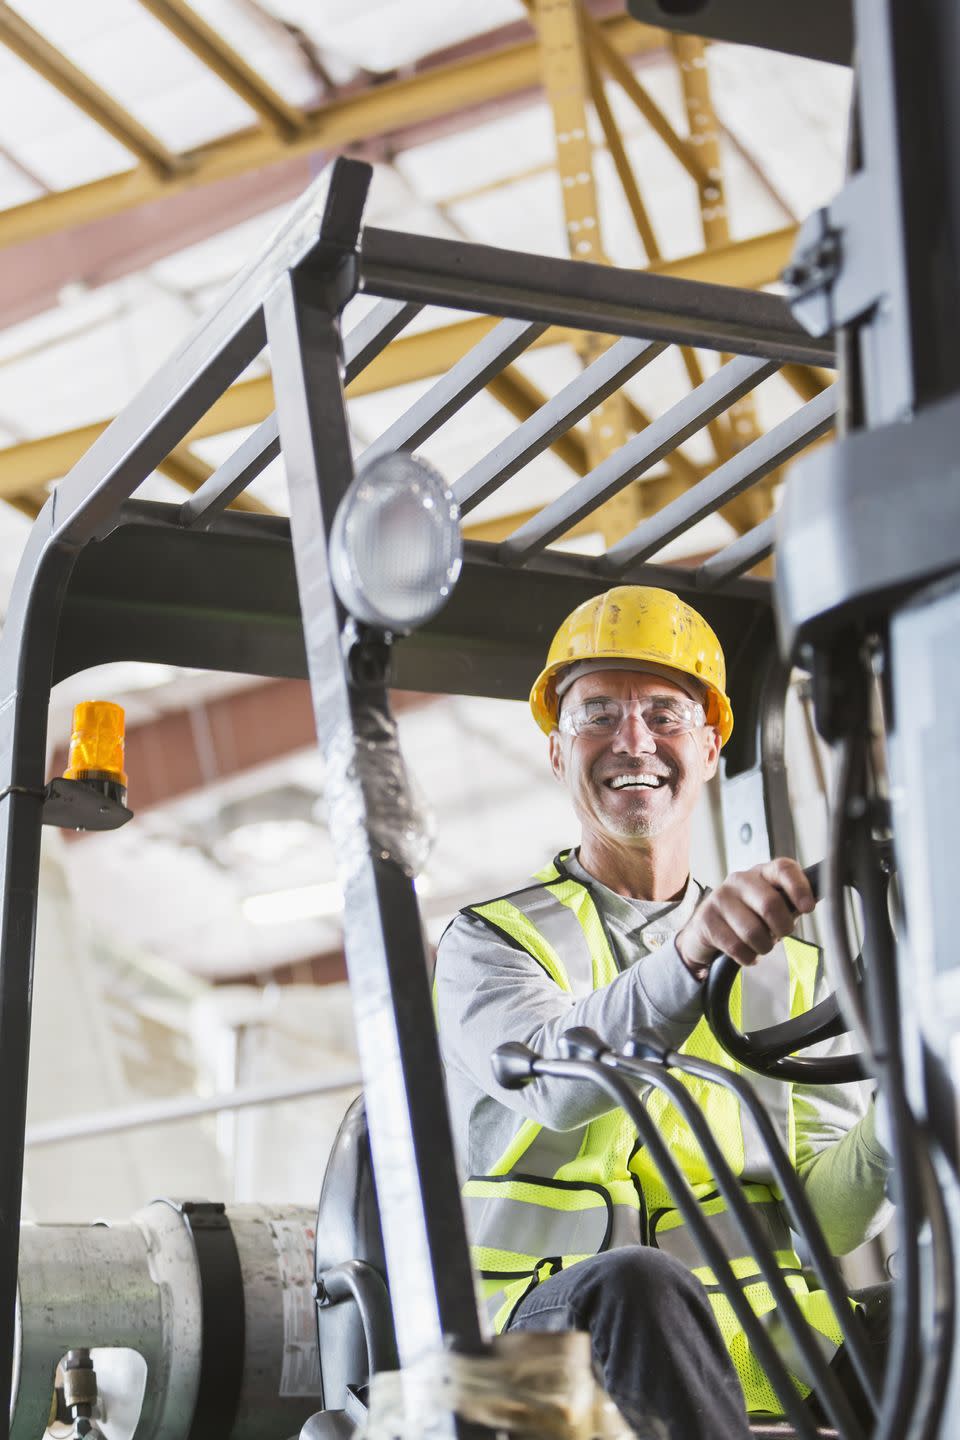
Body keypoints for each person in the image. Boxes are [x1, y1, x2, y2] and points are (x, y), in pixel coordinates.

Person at [434, 585, 892, 1440]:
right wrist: (690, 959)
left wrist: (901, 1119)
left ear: (712, 747)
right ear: (556, 752)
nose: (632, 740)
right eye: (597, 714)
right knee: (632, 1283)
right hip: (514, 1373)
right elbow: (560, 1084)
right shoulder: (486, 945)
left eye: (666, 714)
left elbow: (824, 1218)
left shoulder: (793, 968)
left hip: (747, 1355)